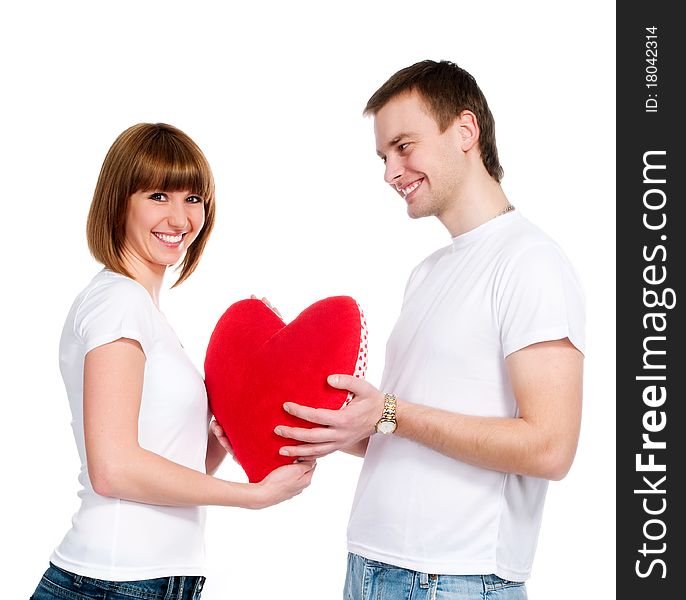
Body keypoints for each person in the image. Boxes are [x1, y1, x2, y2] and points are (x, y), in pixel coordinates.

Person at [274, 60, 585, 599]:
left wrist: (391, 413)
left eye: (403, 146)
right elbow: (405, 433)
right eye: (383, 156)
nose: (390, 172)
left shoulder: (530, 262)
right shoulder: (428, 273)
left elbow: (550, 447)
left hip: (453, 579)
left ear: (465, 131)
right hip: (370, 569)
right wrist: (340, 430)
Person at [30, 123, 315, 600]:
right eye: (159, 195)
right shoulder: (118, 303)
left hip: (154, 579)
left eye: (193, 198)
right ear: (119, 201)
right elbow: (114, 469)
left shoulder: (142, 310)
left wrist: (218, 443)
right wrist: (253, 497)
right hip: (113, 581)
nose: (181, 218)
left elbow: (164, 466)